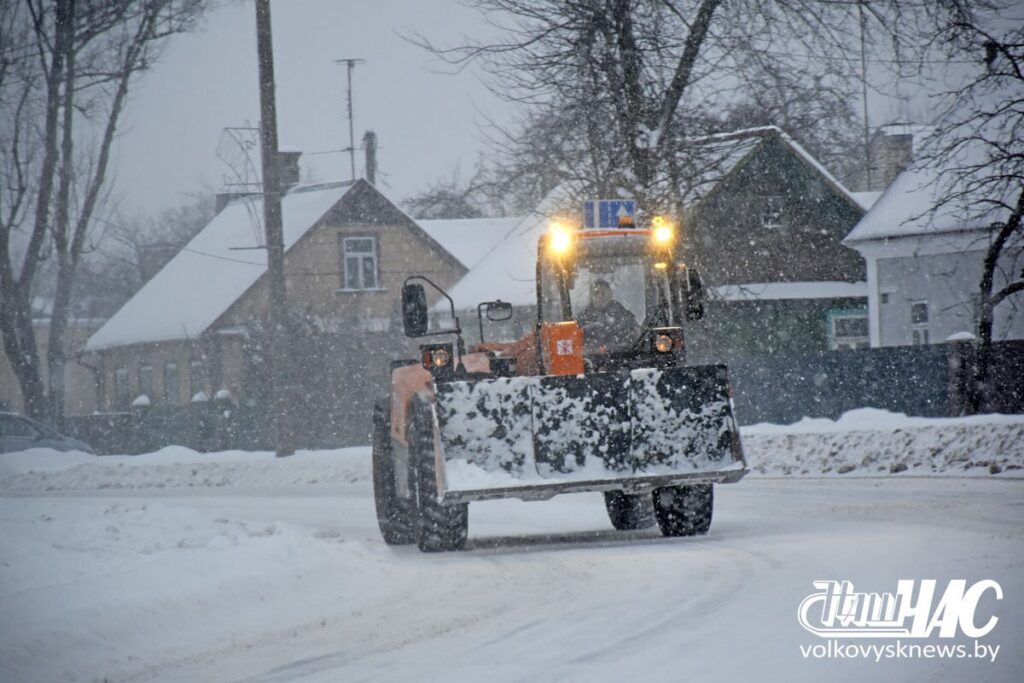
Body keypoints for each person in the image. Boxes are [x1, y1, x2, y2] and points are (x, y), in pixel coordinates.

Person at [576, 279, 638, 351]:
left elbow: (636, 336)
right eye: (596, 293)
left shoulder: (624, 315)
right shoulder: (582, 318)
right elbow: (575, 339)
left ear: (610, 295)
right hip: (590, 356)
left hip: (622, 354)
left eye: (603, 293)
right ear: (591, 297)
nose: (600, 296)